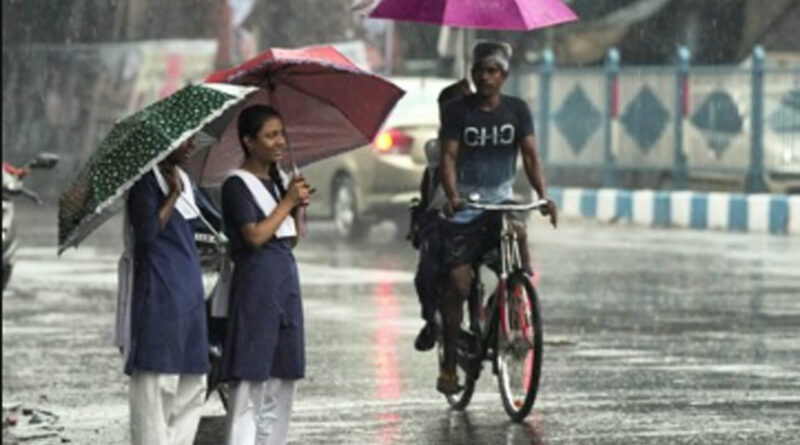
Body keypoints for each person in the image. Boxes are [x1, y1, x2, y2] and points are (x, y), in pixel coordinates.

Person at [437, 41, 558, 395]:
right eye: (479, 70)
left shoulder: (517, 110)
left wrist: (543, 196)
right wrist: (453, 195)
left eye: (492, 71)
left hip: (501, 202)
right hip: (465, 208)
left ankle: (514, 300)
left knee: (517, 239)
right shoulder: (458, 111)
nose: (485, 77)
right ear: (472, 73)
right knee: (458, 284)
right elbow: (448, 157)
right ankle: (448, 366)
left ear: (504, 75)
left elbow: (531, 156)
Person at [220, 105, 312, 445]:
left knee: (282, 376)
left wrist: (298, 207)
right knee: (251, 377)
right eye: (270, 135)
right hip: (256, 285)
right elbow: (255, 236)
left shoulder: (277, 182)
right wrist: (287, 203)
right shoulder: (236, 185)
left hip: (284, 281)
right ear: (248, 141)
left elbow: (289, 239)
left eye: (281, 134)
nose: (279, 142)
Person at [123, 138, 209, 445]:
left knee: (192, 381)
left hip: (188, 289)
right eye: (183, 141)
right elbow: (146, 234)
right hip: (159, 289)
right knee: (156, 381)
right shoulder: (144, 183)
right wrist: (172, 195)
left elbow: (209, 220)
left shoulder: (186, 179)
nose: (191, 147)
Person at [411, 78, 472, 352]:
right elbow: (430, 179)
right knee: (428, 271)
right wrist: (422, 214)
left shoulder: (482, 136)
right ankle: (434, 320)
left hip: (480, 213)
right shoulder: (439, 145)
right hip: (444, 215)